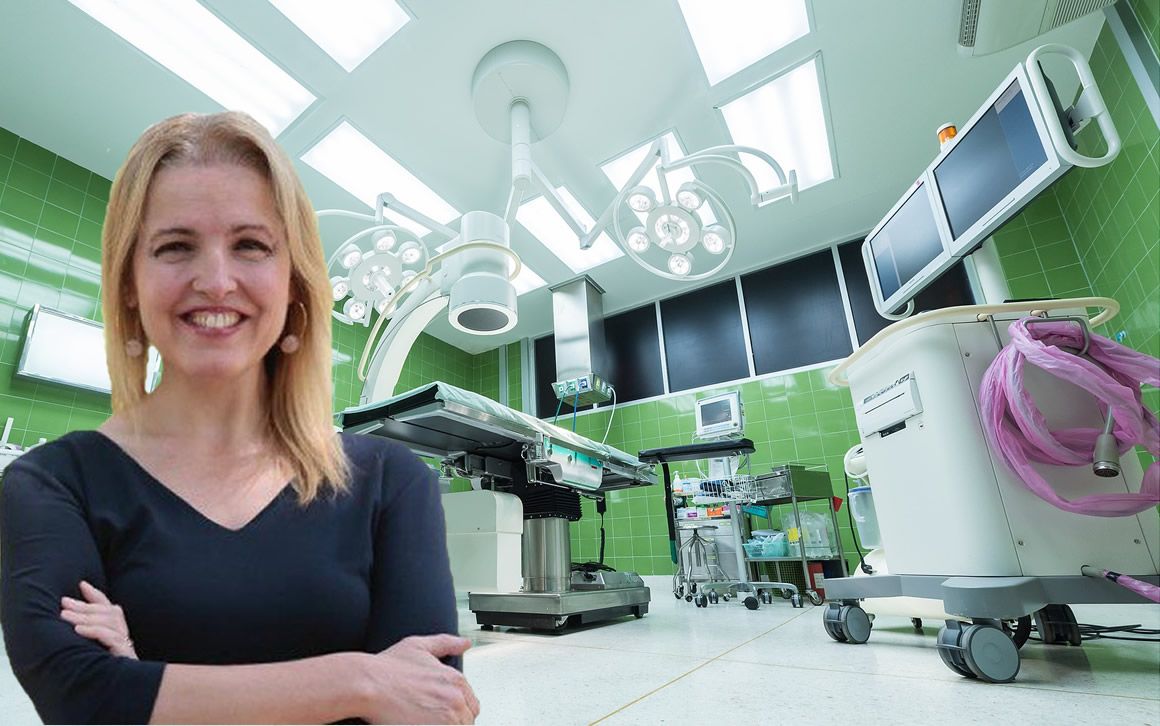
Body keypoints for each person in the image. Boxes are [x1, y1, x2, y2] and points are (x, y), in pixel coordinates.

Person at [0, 111, 480, 724]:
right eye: (175, 247)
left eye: (250, 245)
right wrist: (359, 679)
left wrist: (146, 681)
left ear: (294, 284)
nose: (216, 281)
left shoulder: (391, 480)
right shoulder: (51, 483)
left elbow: (430, 706)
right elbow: (82, 698)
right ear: (129, 285)